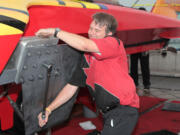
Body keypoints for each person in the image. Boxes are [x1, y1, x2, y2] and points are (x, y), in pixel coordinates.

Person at [36, 12, 139, 135]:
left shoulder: (114, 43)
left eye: (97, 30)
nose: (91, 32)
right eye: (90, 28)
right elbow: (71, 87)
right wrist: (48, 109)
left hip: (123, 111)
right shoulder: (86, 58)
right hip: (107, 113)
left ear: (109, 34)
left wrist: (55, 32)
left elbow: (84, 45)